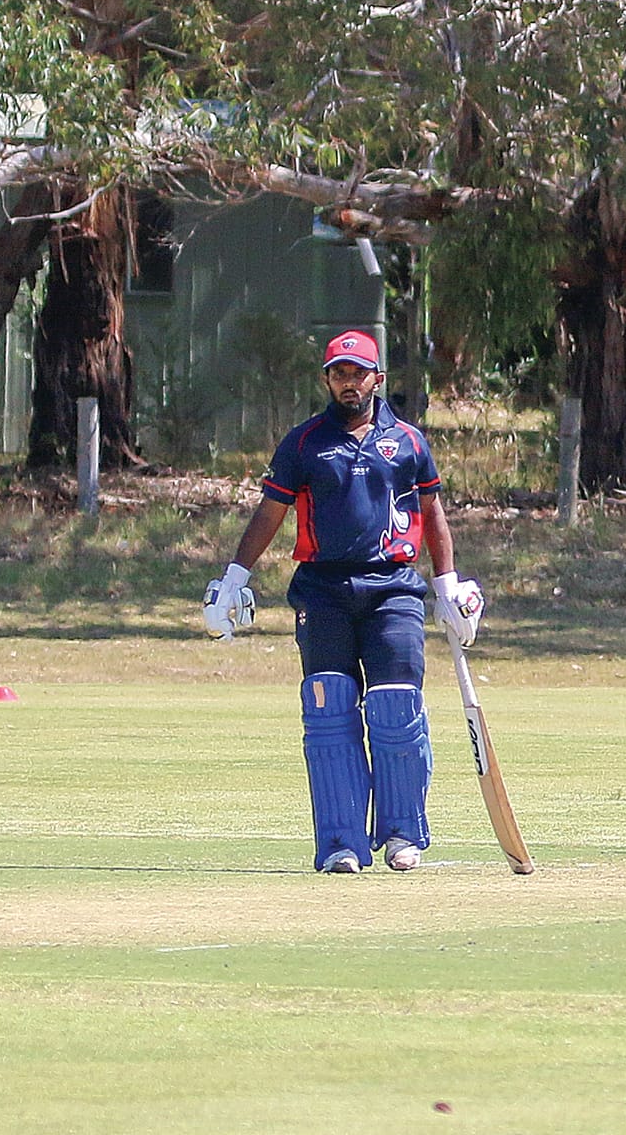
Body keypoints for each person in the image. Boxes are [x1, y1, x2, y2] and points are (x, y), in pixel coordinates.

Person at [202, 329, 484, 873]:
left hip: (394, 589)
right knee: (329, 711)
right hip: (323, 591)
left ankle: (402, 834)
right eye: (338, 373)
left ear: (377, 378)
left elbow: (432, 514)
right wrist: (236, 575)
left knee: (397, 707)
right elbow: (271, 513)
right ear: (327, 379)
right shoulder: (304, 443)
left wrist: (447, 582)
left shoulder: (408, 441)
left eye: (358, 373)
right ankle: (341, 844)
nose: (348, 382)